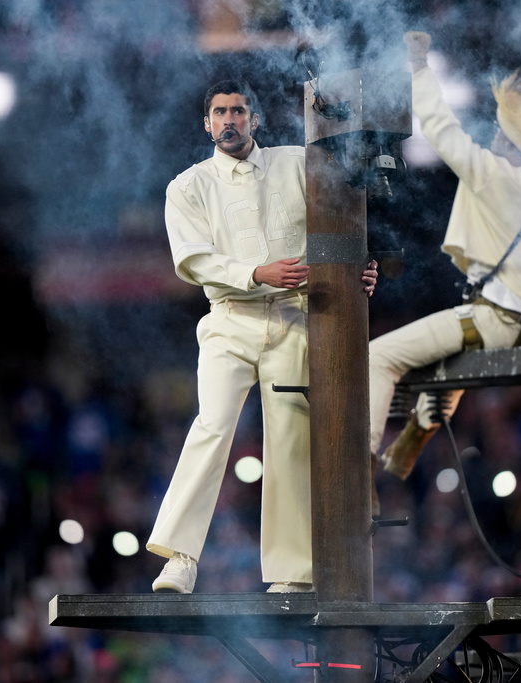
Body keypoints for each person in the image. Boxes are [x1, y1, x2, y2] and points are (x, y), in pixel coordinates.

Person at [147, 79, 378, 594]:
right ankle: (180, 558)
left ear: (255, 119)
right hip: (230, 317)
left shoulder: (298, 162)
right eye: (220, 112)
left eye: (238, 111)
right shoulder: (189, 185)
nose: (229, 120)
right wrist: (256, 273)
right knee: (212, 424)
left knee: (293, 436)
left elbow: (344, 221)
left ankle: (291, 576)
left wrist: (360, 268)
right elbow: (192, 259)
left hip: (295, 317)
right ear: (206, 123)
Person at [370, 32, 521, 481]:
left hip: (499, 322)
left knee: (377, 358)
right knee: (448, 368)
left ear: (510, 145)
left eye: (499, 136)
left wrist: (419, 66)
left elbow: (440, 128)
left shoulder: (497, 176)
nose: (492, 139)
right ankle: (402, 454)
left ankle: (356, 469)